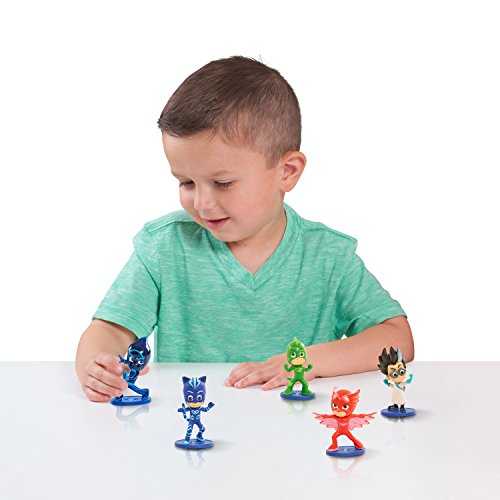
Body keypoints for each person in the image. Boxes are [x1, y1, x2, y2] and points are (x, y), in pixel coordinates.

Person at [75, 56, 414, 402]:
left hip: (297, 427)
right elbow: (109, 330)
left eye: (222, 183)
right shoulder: (164, 247)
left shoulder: (328, 256)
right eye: (186, 182)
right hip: (191, 424)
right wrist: (97, 365)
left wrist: (308, 362)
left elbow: (397, 338)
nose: (202, 203)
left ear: (287, 172)